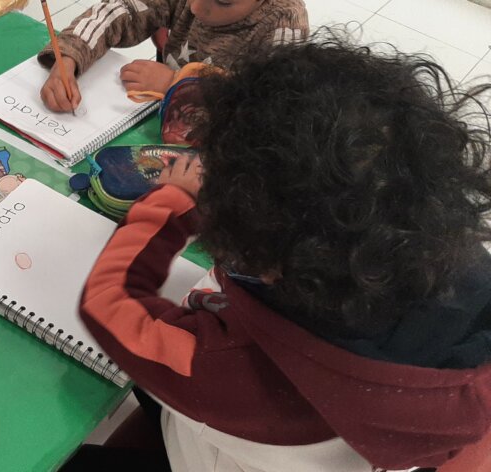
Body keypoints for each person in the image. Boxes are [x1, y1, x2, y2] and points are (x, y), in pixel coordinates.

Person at [79, 39, 491, 471]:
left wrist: (173, 200)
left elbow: (109, 303)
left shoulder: (225, 367)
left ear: (267, 261)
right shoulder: (452, 263)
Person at [38, 0, 308, 112]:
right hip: (153, 115)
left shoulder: (284, 26)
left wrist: (177, 84)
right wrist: (68, 57)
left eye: (223, 1)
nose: (195, 7)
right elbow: (120, 10)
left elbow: (272, 108)